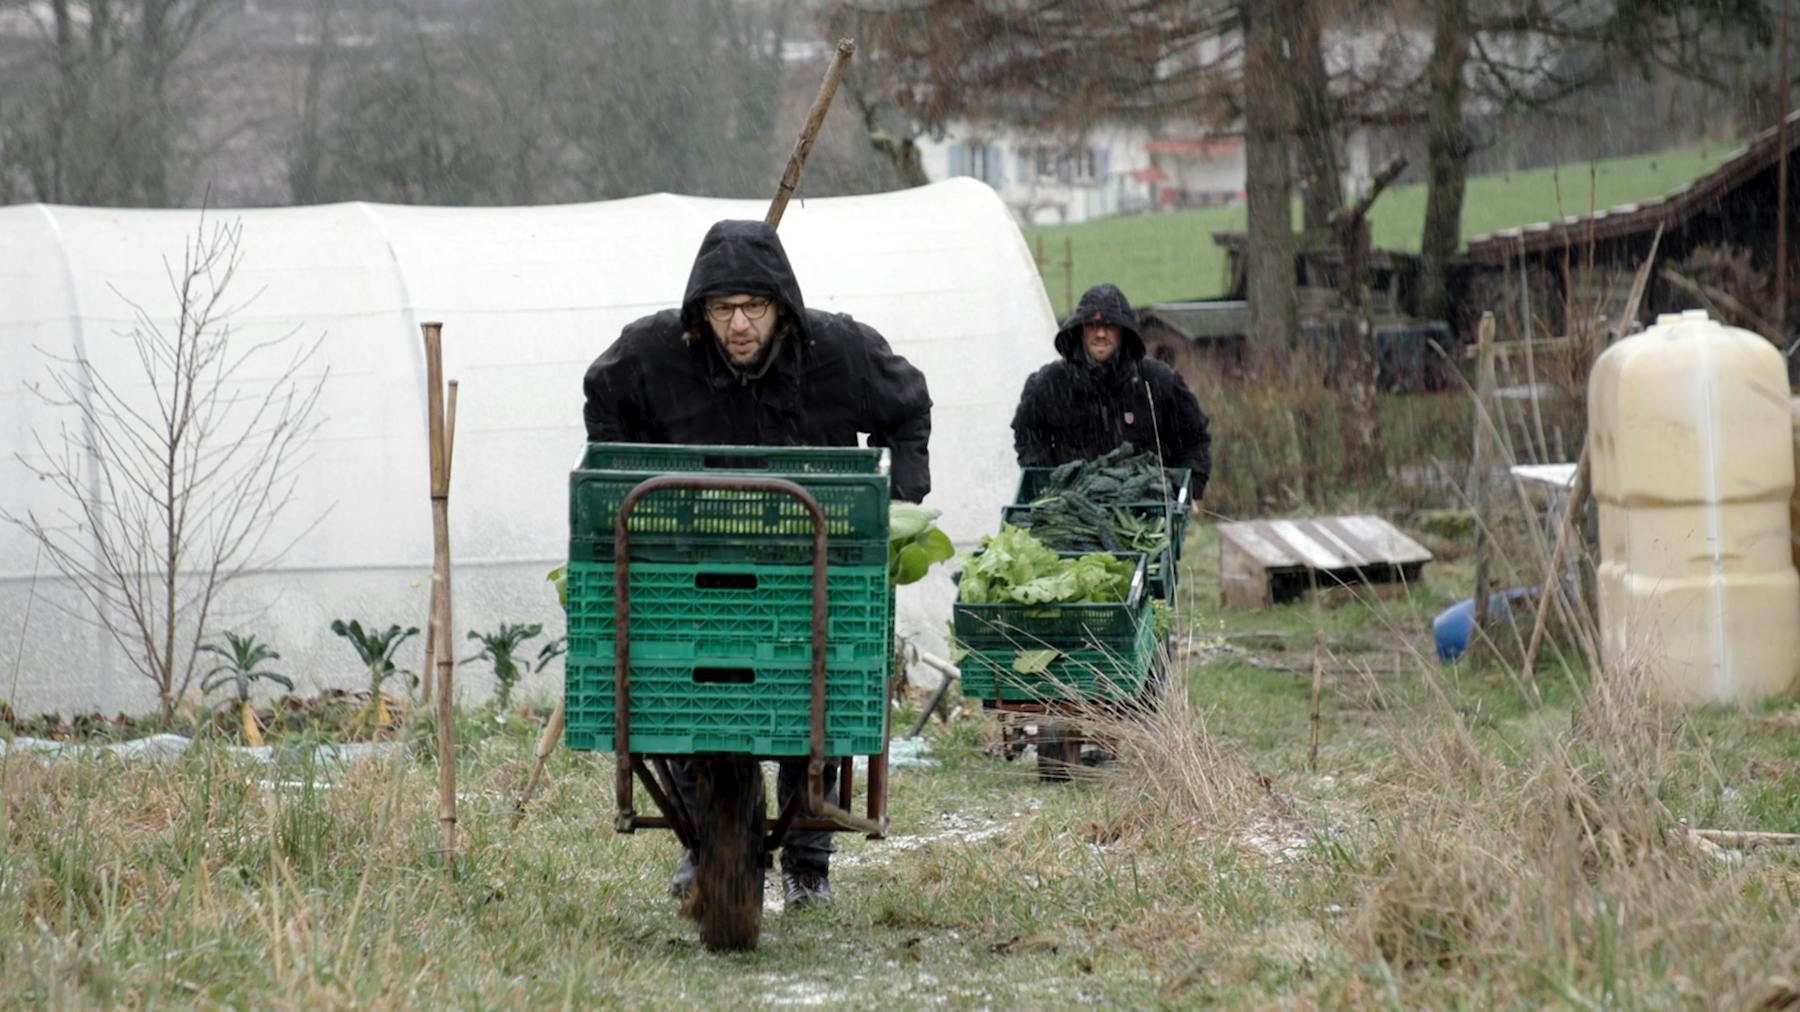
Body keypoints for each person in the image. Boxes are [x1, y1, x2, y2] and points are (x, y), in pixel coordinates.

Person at [582, 219, 932, 911]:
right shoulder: (653, 353)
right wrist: (627, 481)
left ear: (783, 309)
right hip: (693, 564)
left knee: (816, 705)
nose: (739, 324)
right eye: (722, 309)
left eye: (755, 307)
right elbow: (604, 396)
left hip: (814, 563)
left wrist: (895, 503)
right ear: (699, 315)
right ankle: (700, 842)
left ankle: (808, 862)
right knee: (684, 693)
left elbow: (908, 405)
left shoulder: (840, 350)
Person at [1010, 282, 1211, 501]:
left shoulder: (1157, 382)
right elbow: (1027, 435)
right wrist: (1047, 483)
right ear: (1080, 331)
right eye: (1092, 326)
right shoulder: (1049, 384)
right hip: (1072, 510)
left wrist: (1187, 488)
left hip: (1146, 509)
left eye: (1110, 326)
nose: (1101, 334)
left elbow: (1194, 438)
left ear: (1124, 333)